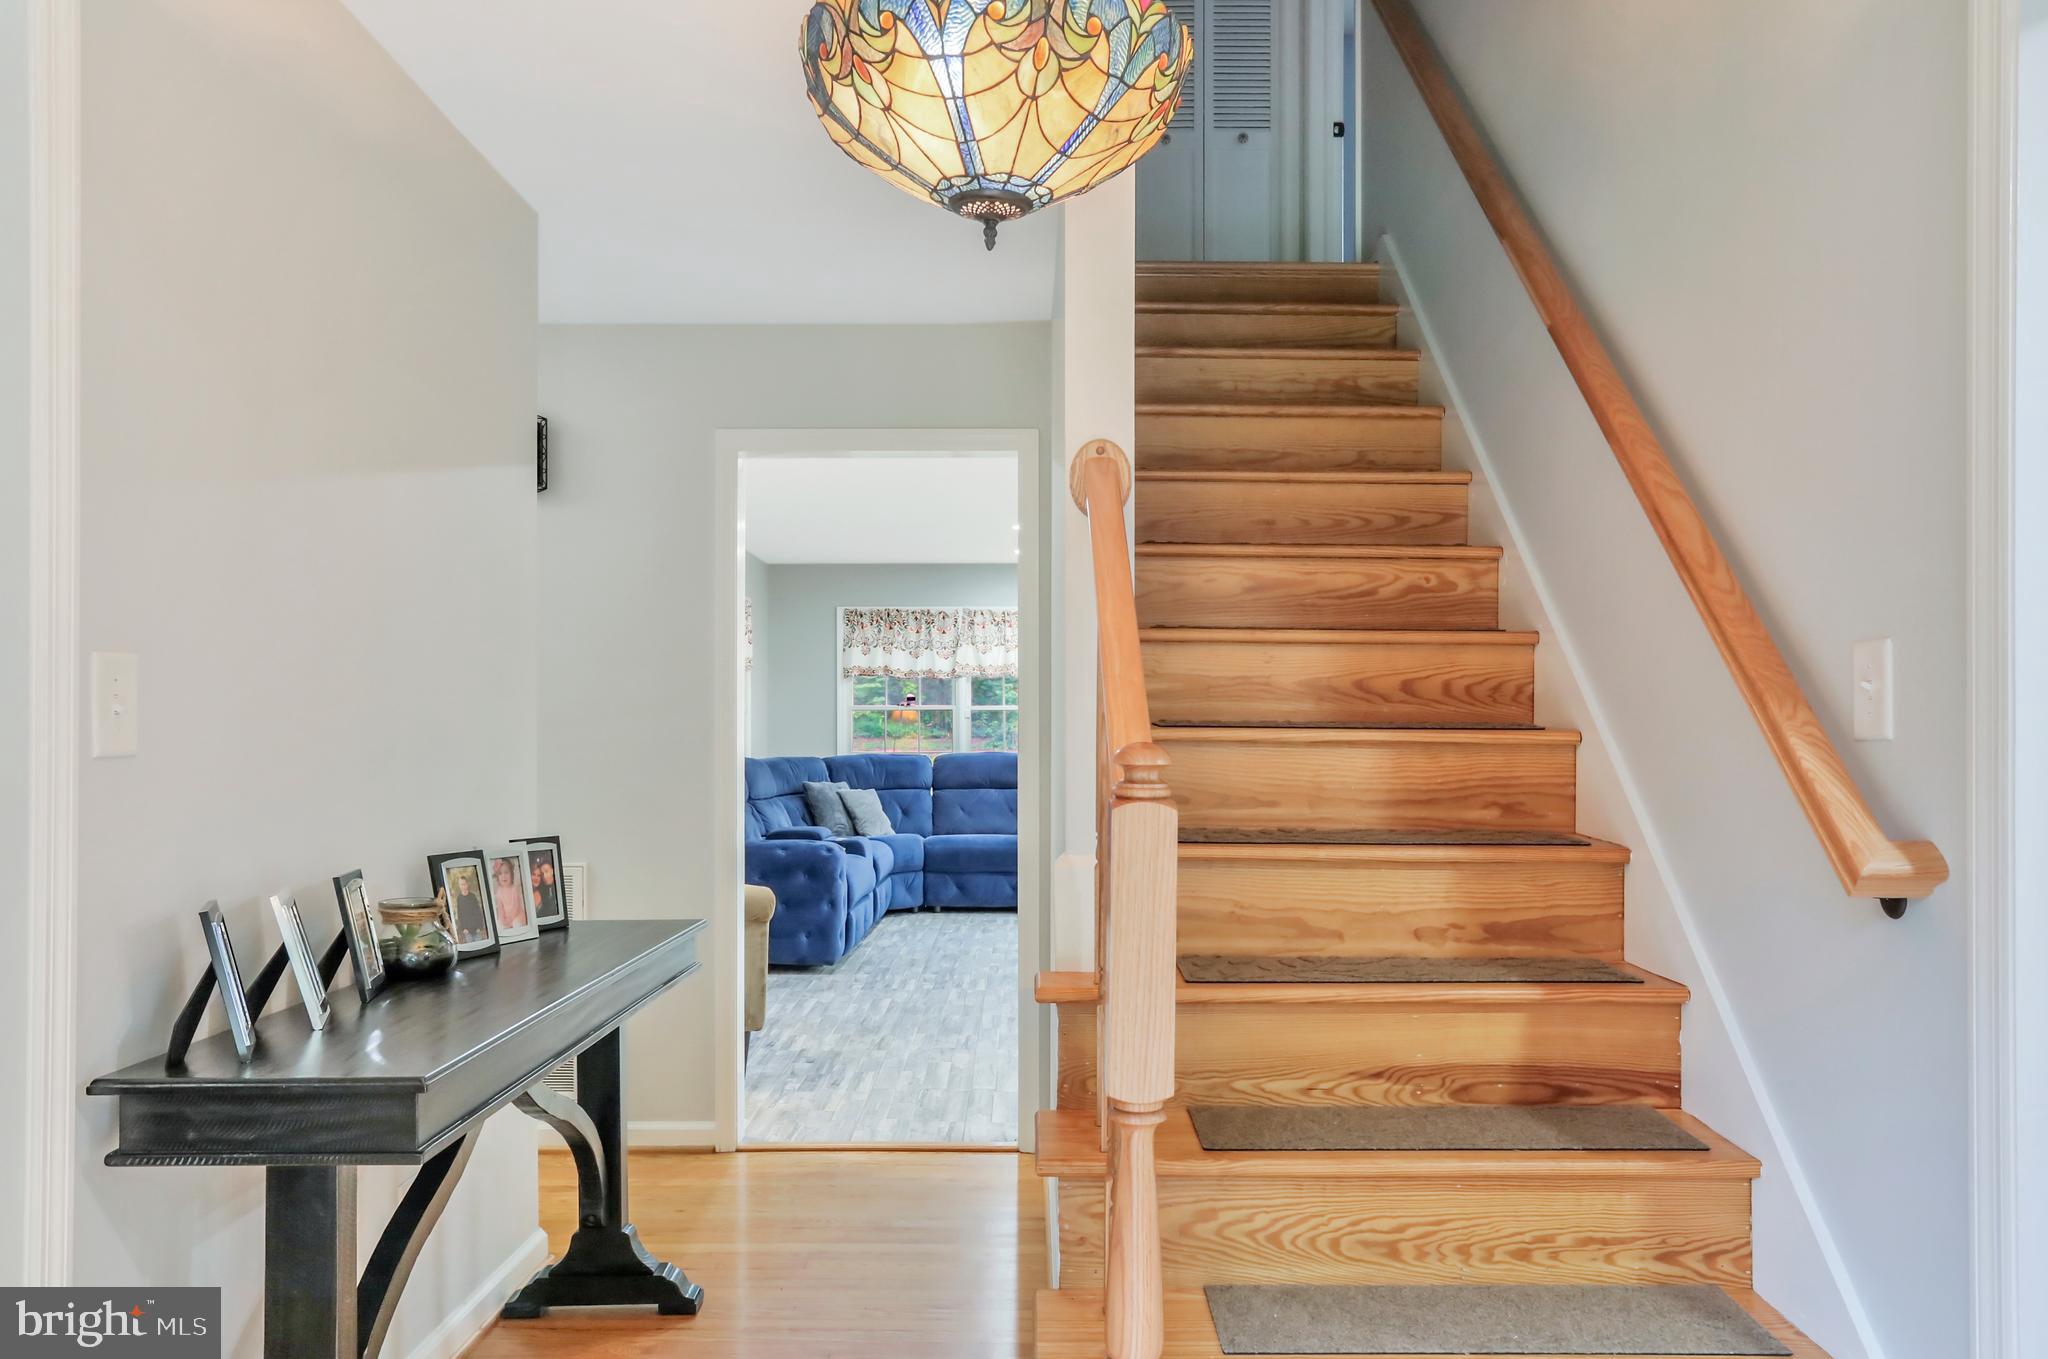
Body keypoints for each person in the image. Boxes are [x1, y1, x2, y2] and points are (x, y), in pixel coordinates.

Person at [491, 854, 529, 931]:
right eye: (500, 874)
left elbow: (516, 907)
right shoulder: (499, 892)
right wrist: (502, 919)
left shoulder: (514, 889)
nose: (503, 876)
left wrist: (510, 919)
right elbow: (500, 909)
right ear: (497, 877)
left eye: (506, 872)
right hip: (506, 917)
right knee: (499, 925)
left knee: (517, 925)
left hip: (516, 915)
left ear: (511, 874)